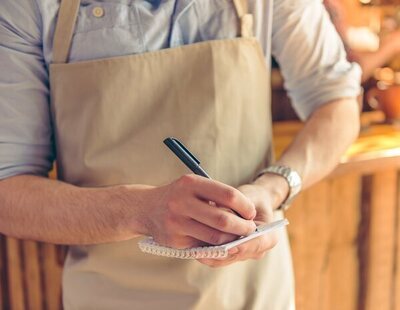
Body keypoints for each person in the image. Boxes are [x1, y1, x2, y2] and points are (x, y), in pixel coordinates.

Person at [0, 0, 360, 309]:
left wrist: (273, 187)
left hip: (256, 295)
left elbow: (338, 104)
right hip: (111, 299)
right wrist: (139, 211)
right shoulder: (25, 7)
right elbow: (7, 190)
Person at [324, 0, 400, 82]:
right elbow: (346, 73)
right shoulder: (327, 7)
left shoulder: (329, 6)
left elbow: (347, 55)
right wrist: (391, 45)